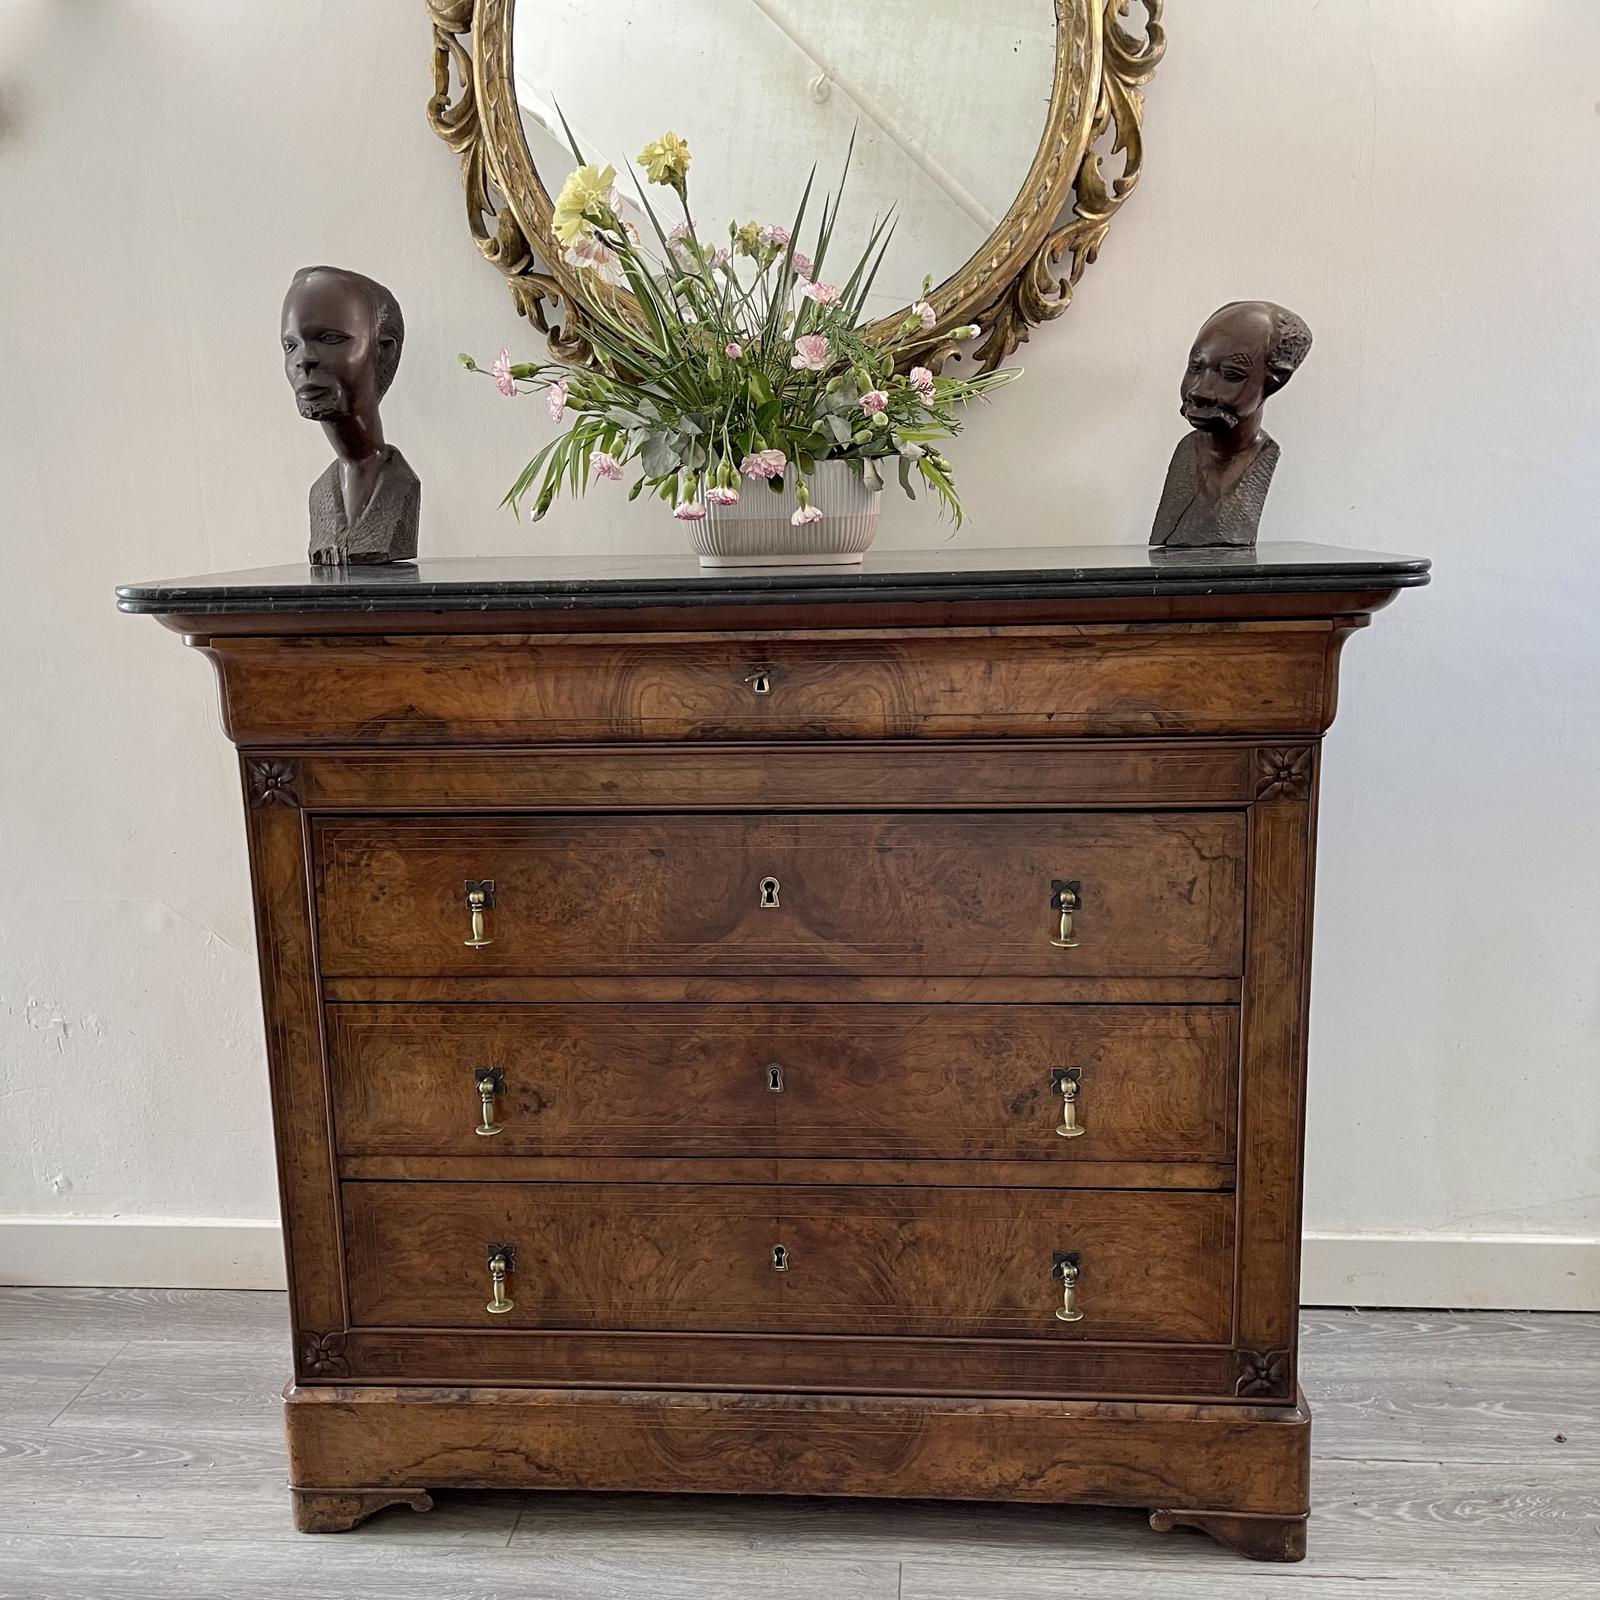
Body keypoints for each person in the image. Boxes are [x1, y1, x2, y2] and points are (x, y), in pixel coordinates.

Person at [281, 265, 419, 563]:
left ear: (383, 350)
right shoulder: (320, 494)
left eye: (330, 339)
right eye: (290, 345)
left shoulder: (401, 485)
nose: (303, 360)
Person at [1150, 300, 1312, 548]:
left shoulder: (1260, 458)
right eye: (1196, 367)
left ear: (1277, 380)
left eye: (1230, 375)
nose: (1198, 391)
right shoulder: (1186, 451)